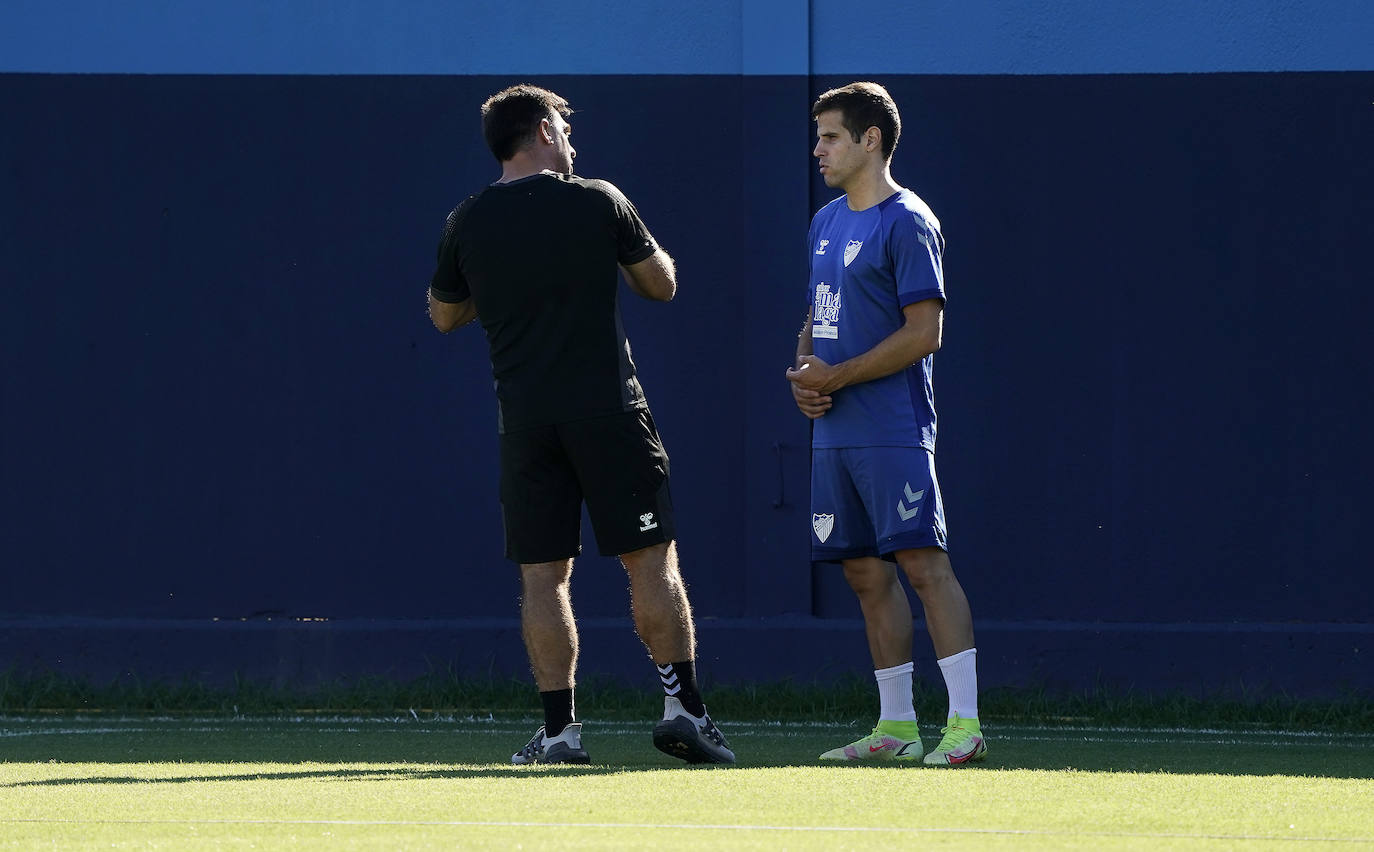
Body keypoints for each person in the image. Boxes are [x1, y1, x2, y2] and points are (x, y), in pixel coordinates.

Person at [427, 84, 734, 766]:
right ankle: (683, 710)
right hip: (611, 412)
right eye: (565, 128)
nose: (572, 141)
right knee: (650, 563)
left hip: (527, 422)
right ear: (541, 130)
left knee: (544, 578)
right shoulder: (599, 199)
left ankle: (561, 734)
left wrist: (506, 287)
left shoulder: (468, 220)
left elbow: (444, 314)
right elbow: (662, 284)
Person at [786, 82, 986, 765]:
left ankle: (965, 725)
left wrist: (837, 378)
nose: (818, 149)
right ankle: (896, 728)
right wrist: (805, 375)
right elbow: (816, 317)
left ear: (871, 140)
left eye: (831, 136)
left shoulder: (908, 220)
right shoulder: (823, 223)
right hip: (835, 432)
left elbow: (926, 331)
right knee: (866, 576)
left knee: (924, 566)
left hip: (894, 427)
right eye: (819, 137)